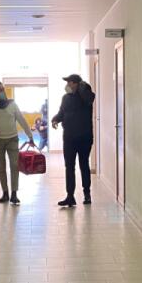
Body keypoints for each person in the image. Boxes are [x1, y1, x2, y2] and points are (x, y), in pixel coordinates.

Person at [0, 81, 34, 205]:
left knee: (14, 165)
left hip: (12, 139)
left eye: (3, 89)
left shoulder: (12, 104)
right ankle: (5, 193)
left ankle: (14, 194)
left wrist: (30, 136)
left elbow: (22, 120)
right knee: (1, 167)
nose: (2, 92)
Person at [52, 74, 96, 207]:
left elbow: (90, 98)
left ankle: (87, 194)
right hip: (69, 138)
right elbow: (62, 112)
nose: (67, 85)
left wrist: (83, 87)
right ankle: (70, 196)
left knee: (84, 165)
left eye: (69, 82)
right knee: (69, 167)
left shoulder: (85, 96)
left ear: (76, 84)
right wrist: (55, 119)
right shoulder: (65, 98)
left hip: (84, 137)